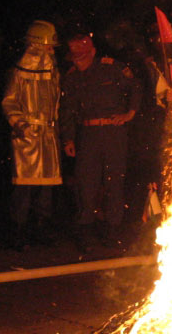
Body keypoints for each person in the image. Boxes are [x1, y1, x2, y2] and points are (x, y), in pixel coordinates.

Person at [60, 31, 140, 252]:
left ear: (92, 52)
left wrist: (130, 113)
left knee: (115, 181)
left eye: (83, 57)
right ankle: (86, 231)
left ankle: (112, 231)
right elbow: (67, 110)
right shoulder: (72, 76)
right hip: (88, 135)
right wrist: (68, 138)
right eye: (75, 57)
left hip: (114, 133)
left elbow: (135, 87)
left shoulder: (111, 68)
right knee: (86, 184)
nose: (79, 61)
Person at [2, 21, 62, 248]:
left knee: (46, 188)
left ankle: (40, 228)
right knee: (24, 188)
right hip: (26, 137)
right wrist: (20, 124)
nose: (52, 51)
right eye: (50, 47)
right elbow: (8, 101)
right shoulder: (19, 72)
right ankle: (18, 232)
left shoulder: (53, 72)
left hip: (47, 134)